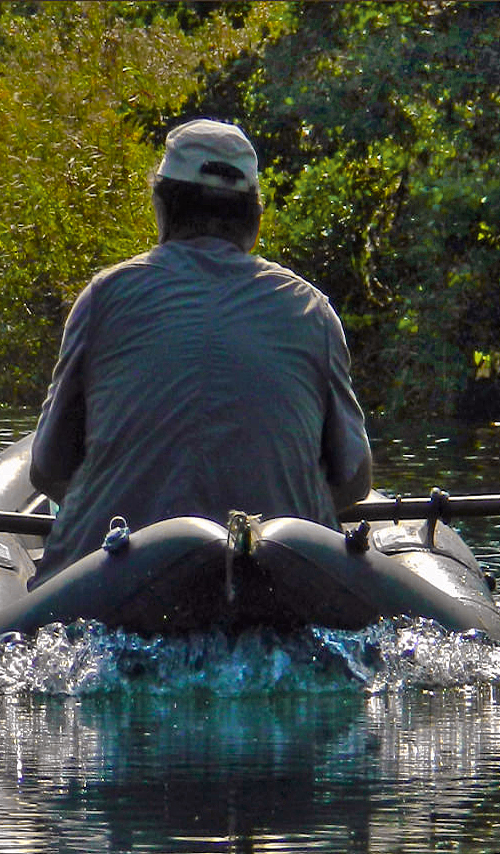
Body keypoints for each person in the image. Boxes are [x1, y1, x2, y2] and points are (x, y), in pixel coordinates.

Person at [27, 118, 373, 580]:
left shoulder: (104, 297)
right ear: (255, 217)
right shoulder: (312, 311)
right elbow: (354, 480)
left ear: (162, 207)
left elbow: (48, 469)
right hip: (277, 591)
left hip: (112, 591)